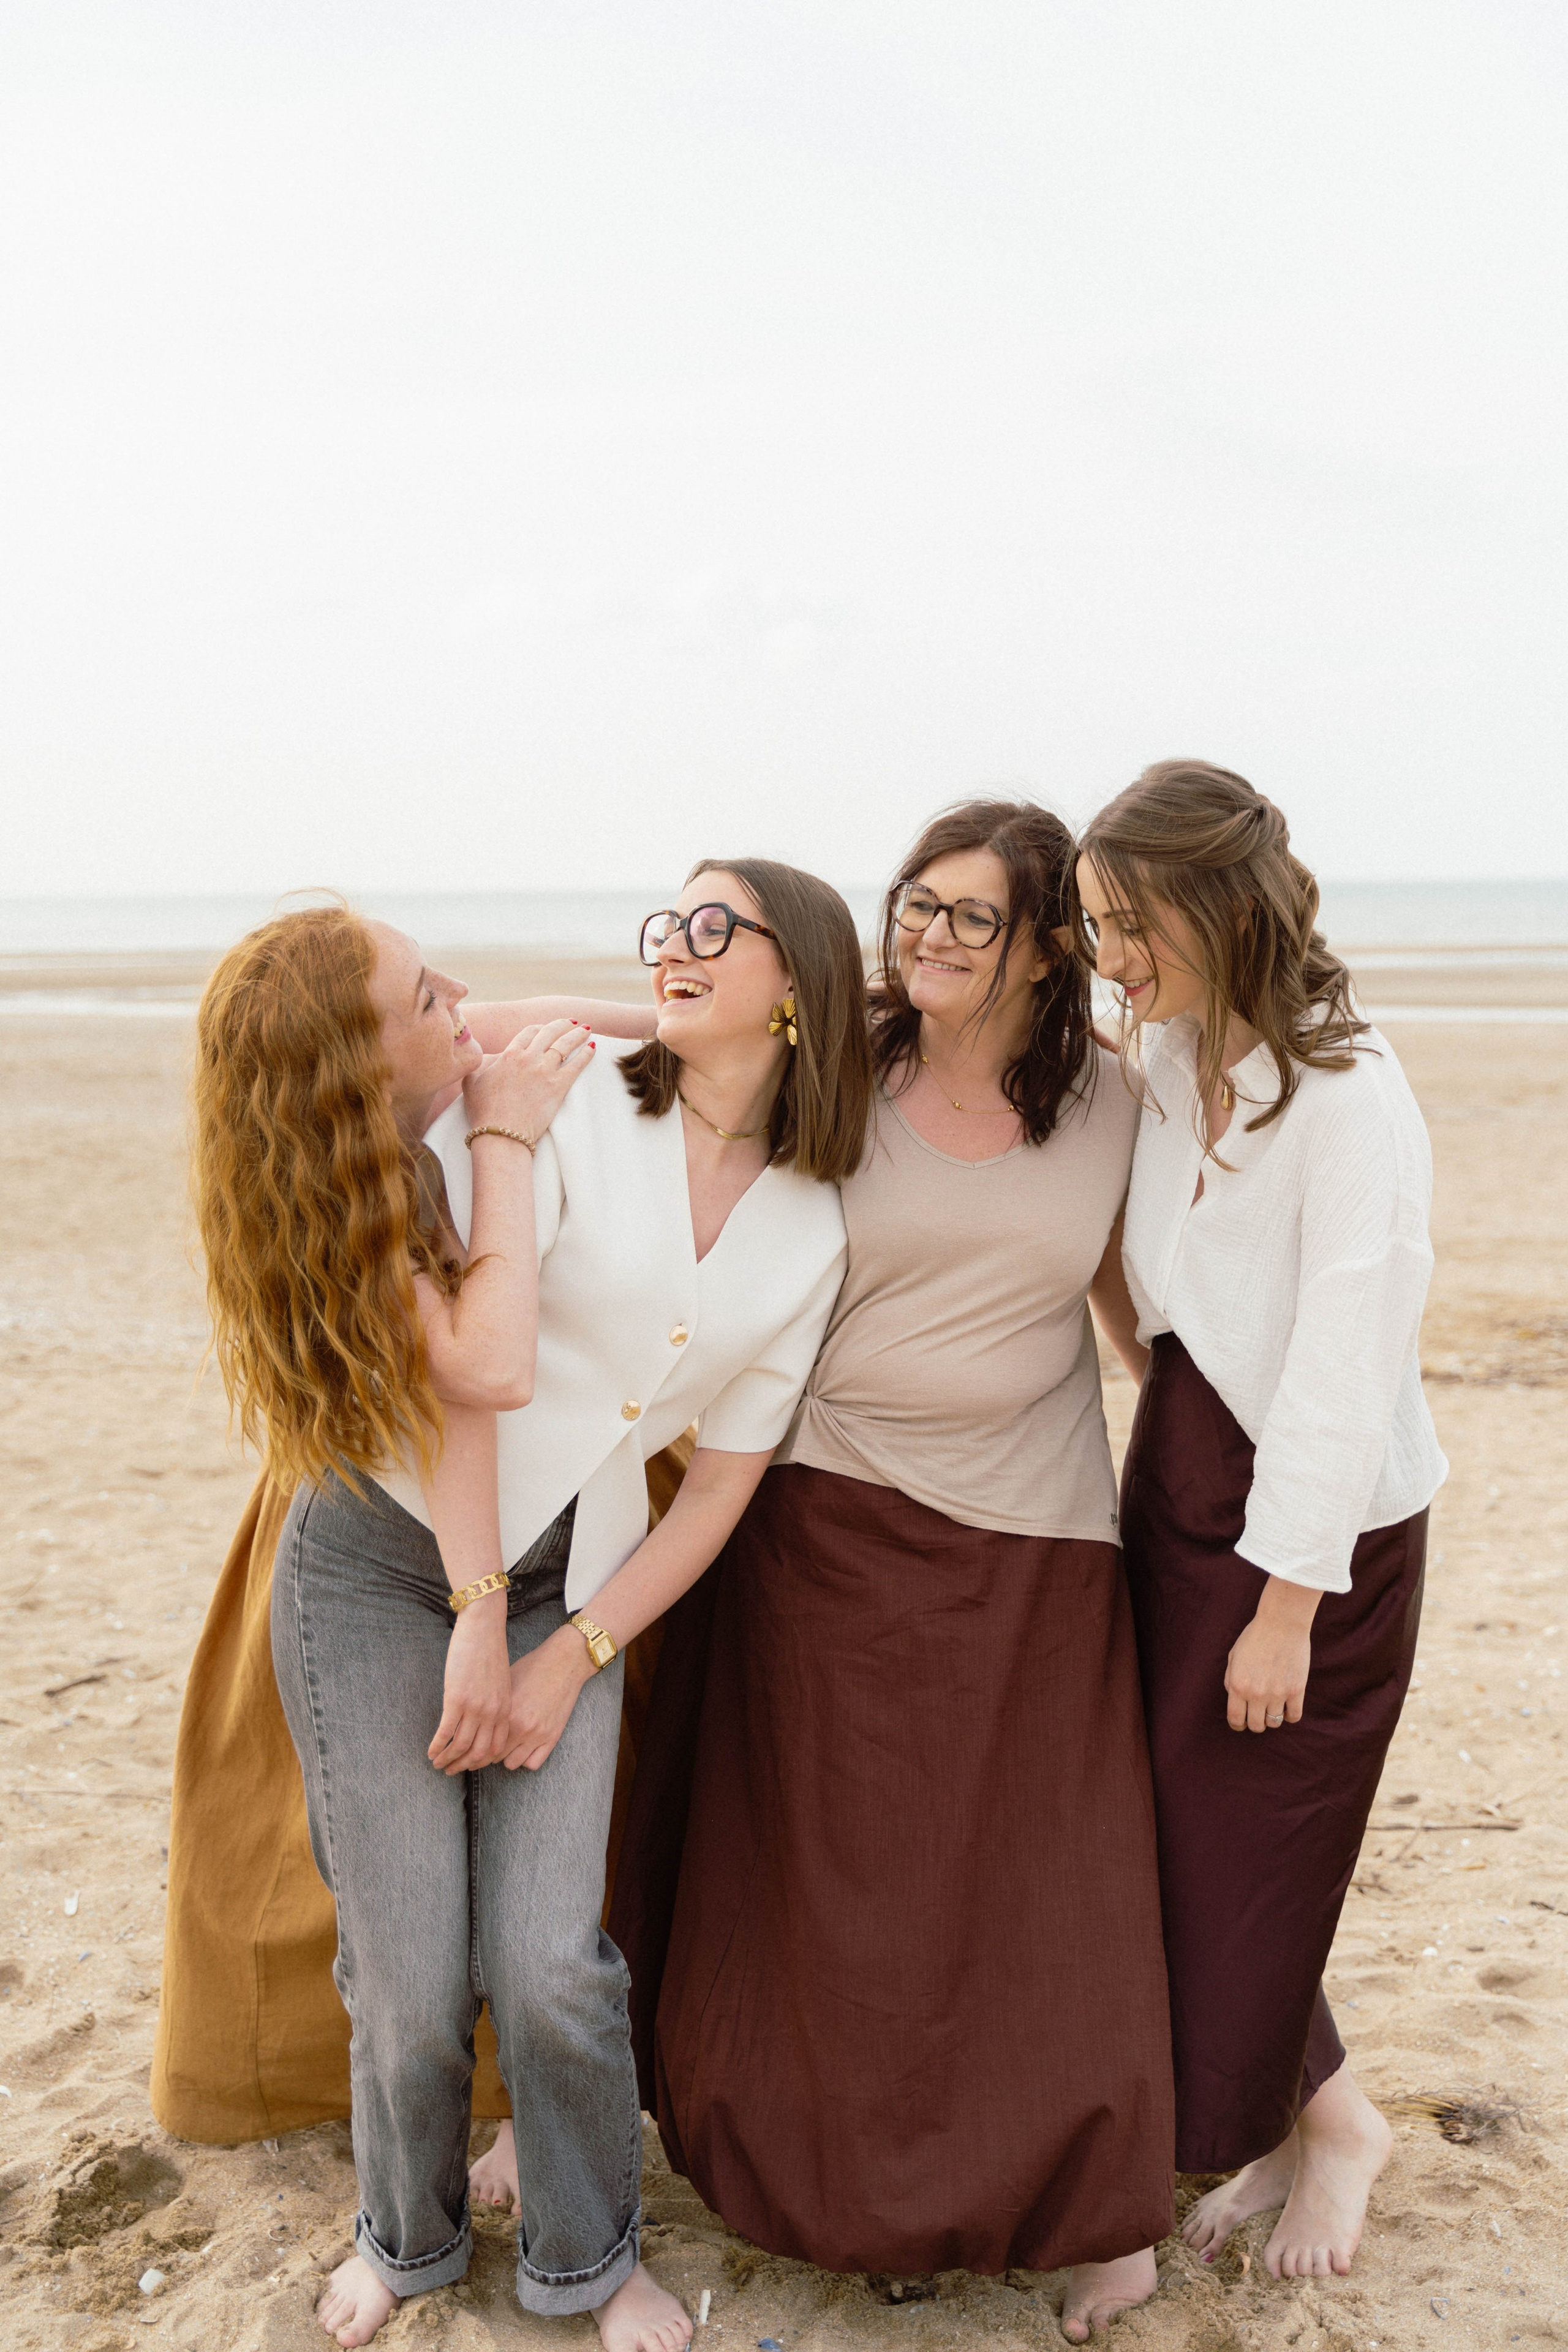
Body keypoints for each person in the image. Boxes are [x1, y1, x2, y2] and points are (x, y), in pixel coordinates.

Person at [184, 869, 870, 2352]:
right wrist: (482, 1621)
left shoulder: (817, 1227)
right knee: (410, 1974)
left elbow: (712, 1494)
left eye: (713, 932)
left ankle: (588, 2257)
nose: (674, 950)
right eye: (664, 930)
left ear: (798, 981)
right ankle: (405, 2240)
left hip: (576, 1578)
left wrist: (573, 1654)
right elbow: (469, 1398)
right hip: (380, 1558)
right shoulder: (561, 1112)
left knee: (555, 1964)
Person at [605, 800, 1176, 2346]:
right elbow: (660, 1041)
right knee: (838, 1899)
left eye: (967, 916)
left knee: (1044, 1886)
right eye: (912, 904)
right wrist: (472, 1032)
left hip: (1043, 1533)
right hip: (823, 1516)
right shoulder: (843, 1059)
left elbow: (1127, 1310)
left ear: (1048, 945)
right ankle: (826, 2182)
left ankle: (1090, 2205)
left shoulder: (1116, 1103)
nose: (924, 933)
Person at [1075, 760, 1447, 2284]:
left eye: (1127, 924)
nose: (1110, 960)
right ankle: (1305, 2119)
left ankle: (1326, 2128)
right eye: (1093, 929)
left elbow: (1341, 1367)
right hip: (1173, 1478)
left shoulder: (1352, 1099)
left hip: (1314, 1527)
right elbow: (1150, 1281)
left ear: (1213, 903)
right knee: (1161, 1837)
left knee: (1248, 1850)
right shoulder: (1161, 1063)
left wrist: (1285, 1602)